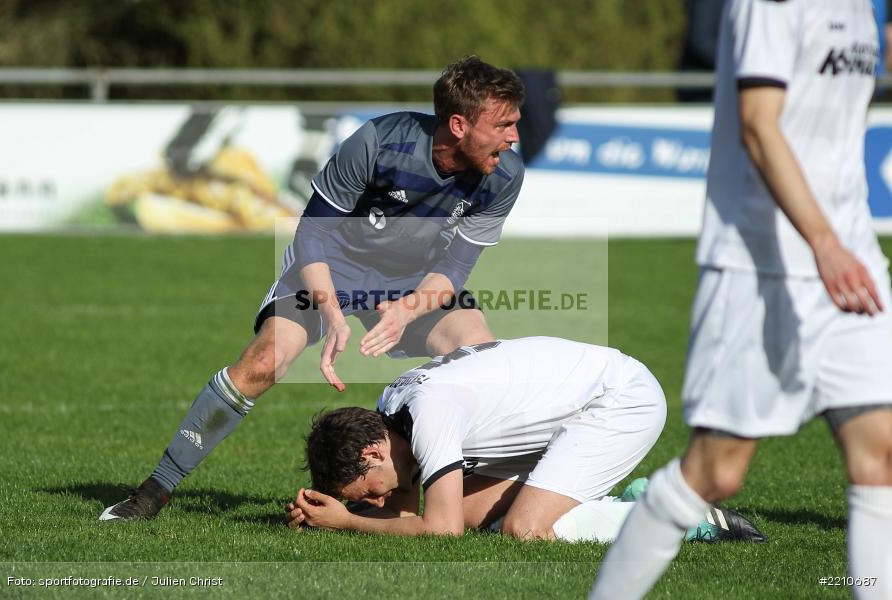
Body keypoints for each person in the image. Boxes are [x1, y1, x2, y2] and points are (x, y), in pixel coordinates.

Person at [100, 56, 526, 521]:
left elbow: (455, 266)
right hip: (330, 265)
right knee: (265, 362)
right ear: (460, 124)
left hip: (412, 279)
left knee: (479, 353)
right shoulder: (380, 142)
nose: (514, 137)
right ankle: (156, 489)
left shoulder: (503, 175)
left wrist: (404, 311)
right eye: (503, 124)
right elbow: (312, 235)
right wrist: (332, 313)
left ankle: (470, 499)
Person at [590, 2, 892, 599]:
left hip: (852, 257)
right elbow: (758, 123)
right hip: (760, 264)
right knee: (716, 473)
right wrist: (823, 243)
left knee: (880, 453)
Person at [286, 337, 763, 542]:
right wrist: (332, 510)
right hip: (582, 399)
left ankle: (673, 516)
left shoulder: (429, 414)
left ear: (373, 452)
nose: (382, 498)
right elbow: (411, 513)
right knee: (472, 511)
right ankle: (621, 503)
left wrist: (348, 523)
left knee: (526, 530)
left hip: (618, 401)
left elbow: (439, 530)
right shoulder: (393, 411)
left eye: (372, 490)